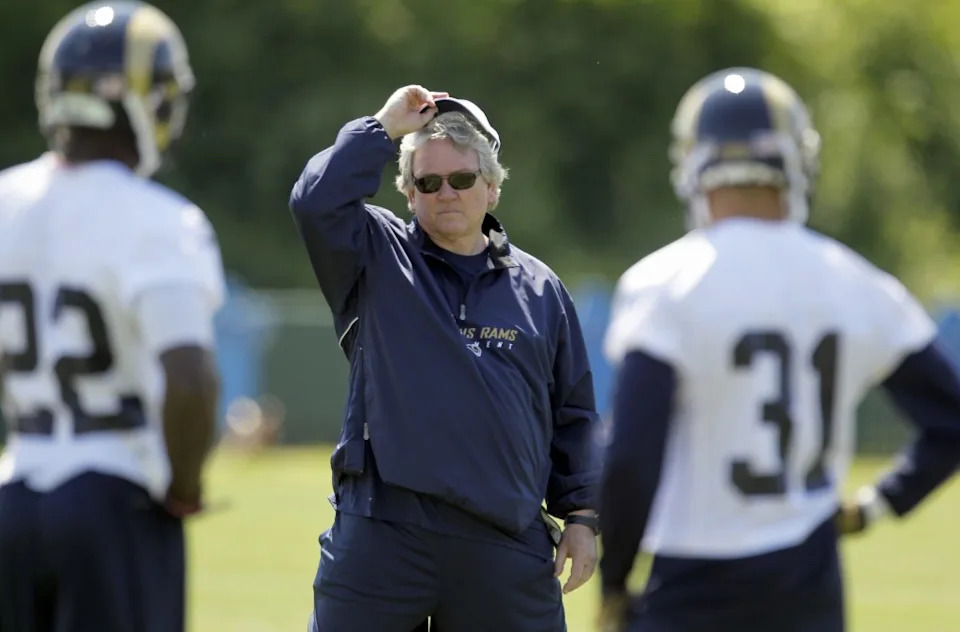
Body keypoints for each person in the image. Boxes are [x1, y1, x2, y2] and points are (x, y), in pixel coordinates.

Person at [597, 67, 960, 632]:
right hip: (809, 584)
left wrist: (616, 582)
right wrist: (875, 505)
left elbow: (631, 459)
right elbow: (952, 419)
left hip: (695, 583)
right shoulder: (855, 281)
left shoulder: (665, 283)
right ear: (797, 162)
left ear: (693, 164)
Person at [289, 85, 601, 631]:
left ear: (492, 187)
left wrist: (582, 514)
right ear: (409, 194)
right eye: (428, 183)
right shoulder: (375, 255)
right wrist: (383, 127)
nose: (446, 193)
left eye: (462, 179)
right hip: (383, 534)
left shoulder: (540, 288)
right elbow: (316, 200)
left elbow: (572, 412)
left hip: (504, 540)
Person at [0, 2, 224, 631]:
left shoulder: (5, 201)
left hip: (14, 494)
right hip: (116, 498)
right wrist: (184, 488)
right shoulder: (159, 218)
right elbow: (189, 377)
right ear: (148, 102)